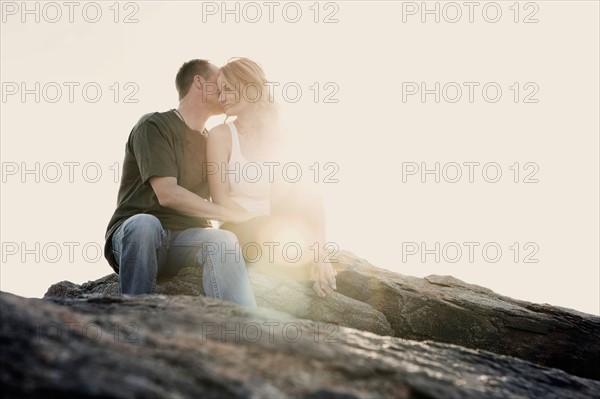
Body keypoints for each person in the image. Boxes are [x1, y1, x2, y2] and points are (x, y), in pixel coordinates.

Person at [104, 59, 259, 307]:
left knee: (224, 241)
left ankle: (243, 331)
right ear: (199, 82)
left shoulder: (215, 142)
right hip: (138, 238)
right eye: (219, 80)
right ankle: (135, 320)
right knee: (145, 224)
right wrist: (229, 213)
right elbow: (167, 194)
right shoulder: (154, 125)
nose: (225, 86)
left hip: (185, 242)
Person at [207, 57, 337, 298]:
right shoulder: (221, 135)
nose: (222, 97)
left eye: (228, 89)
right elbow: (221, 200)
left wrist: (320, 253)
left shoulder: (284, 135)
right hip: (240, 229)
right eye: (219, 91)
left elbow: (310, 198)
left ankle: (314, 270)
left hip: (279, 228)